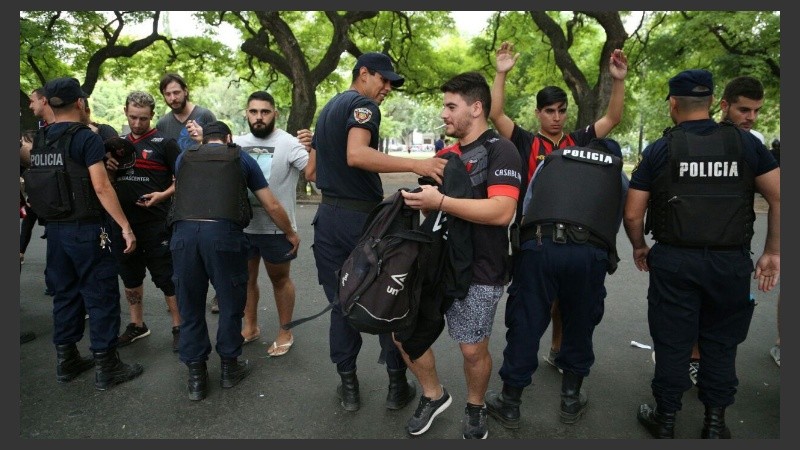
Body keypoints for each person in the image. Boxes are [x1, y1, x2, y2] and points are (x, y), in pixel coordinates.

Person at [623, 69, 780, 439]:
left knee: (674, 342)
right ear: (713, 103)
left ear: (673, 104)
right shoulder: (746, 144)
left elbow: (632, 213)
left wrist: (639, 247)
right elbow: (780, 195)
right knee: (722, 344)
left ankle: (665, 419)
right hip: (730, 263)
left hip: (675, 261)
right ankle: (714, 422)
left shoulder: (661, 148)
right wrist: (772, 251)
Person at [310, 51, 446, 413]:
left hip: (328, 218)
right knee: (387, 300)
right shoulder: (363, 107)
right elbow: (358, 155)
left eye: (390, 83)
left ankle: (349, 387)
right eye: (383, 79)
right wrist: (418, 163)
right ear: (363, 73)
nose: (387, 88)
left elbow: (317, 169)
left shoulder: (329, 108)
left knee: (342, 303)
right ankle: (396, 385)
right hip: (361, 223)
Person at [392, 71, 521, 439]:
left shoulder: (501, 149)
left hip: (482, 268)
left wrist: (442, 201)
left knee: (471, 350)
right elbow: (431, 214)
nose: (444, 114)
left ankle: (476, 405)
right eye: (444, 106)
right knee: (404, 334)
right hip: (435, 265)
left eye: (452, 106)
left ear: (477, 108)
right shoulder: (443, 156)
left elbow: (501, 212)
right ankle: (433, 395)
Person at [490, 41, 628, 371]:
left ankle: (557, 347)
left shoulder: (578, 140)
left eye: (561, 110)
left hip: (574, 237)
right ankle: (523, 364)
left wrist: (618, 80)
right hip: (532, 236)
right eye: (549, 111)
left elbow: (613, 117)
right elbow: (495, 113)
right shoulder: (524, 141)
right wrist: (500, 74)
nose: (556, 117)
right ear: (538, 113)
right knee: (531, 304)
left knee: (565, 302)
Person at [484, 138, 628, 430]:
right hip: (589, 252)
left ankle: (510, 402)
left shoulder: (554, 159)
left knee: (526, 320)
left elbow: (527, 206)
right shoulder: (616, 171)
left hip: (541, 244)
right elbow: (623, 214)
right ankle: (571, 399)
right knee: (580, 321)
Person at [168, 120, 300, 401]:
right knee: (230, 302)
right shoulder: (241, 157)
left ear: (204, 140)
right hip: (223, 236)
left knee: (189, 303)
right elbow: (271, 204)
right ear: (229, 138)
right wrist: (289, 232)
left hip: (184, 235)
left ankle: (196, 377)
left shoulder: (185, 157)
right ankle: (229, 367)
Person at [27, 77, 143, 389]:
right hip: (88, 230)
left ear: (51, 104)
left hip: (55, 230)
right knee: (100, 294)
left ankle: (67, 360)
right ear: (79, 102)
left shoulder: (41, 138)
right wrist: (125, 226)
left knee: (65, 294)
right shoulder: (84, 138)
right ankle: (107, 366)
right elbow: (101, 186)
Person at [684, 75, 773, 384]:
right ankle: (693, 359)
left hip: (733, 240)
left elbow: (775, 192)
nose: (750, 117)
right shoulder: (696, 133)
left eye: (756, 111)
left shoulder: (756, 141)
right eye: (744, 110)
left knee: (724, 314)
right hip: (691, 237)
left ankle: (711, 368)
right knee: (692, 308)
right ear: (724, 106)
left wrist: (772, 250)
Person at [234, 91, 315, 355]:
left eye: (265, 112)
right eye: (254, 112)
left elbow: (314, 175)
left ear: (275, 114)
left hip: (277, 228)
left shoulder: (290, 143)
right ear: (246, 113)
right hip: (244, 226)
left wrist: (314, 148)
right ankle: (251, 327)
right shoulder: (235, 143)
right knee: (246, 279)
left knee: (280, 280)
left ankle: (285, 330)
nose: (259, 117)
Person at [104, 91, 182, 352]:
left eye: (144, 119)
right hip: (125, 224)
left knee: (166, 276)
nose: (137, 124)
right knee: (130, 276)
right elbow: (107, 185)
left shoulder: (165, 143)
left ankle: (179, 326)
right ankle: (137, 325)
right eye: (133, 117)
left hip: (157, 223)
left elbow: (184, 179)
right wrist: (111, 173)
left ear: (152, 115)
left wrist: (163, 195)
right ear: (125, 110)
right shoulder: (116, 146)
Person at [156, 73, 217, 152]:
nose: (173, 98)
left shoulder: (206, 116)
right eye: (167, 94)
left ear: (185, 91)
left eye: (176, 92)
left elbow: (219, 150)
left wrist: (203, 139)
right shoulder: (162, 124)